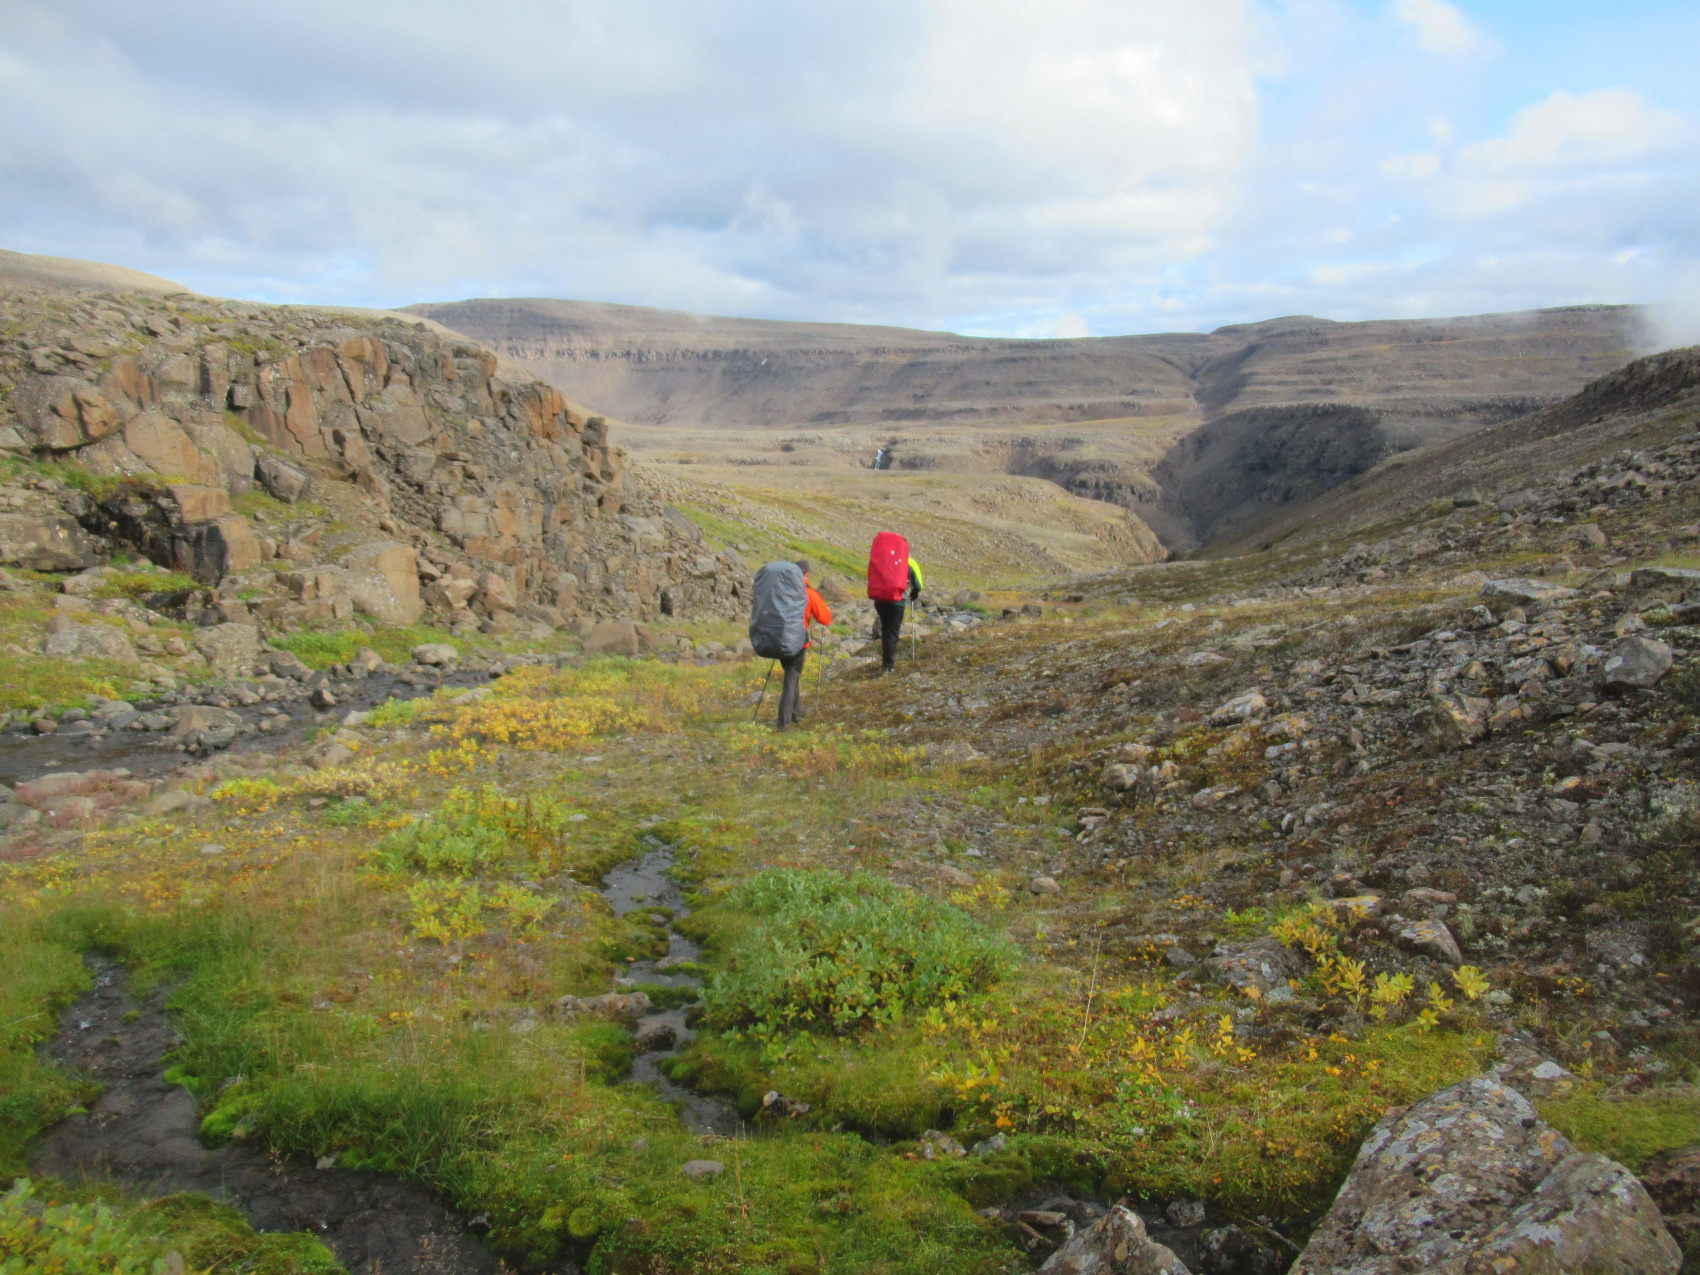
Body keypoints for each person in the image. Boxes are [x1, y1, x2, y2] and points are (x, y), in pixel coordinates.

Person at [778, 559, 832, 729]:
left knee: (792, 677)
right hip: (797, 642)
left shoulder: (782, 589)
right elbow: (825, 618)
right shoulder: (809, 593)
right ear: (807, 574)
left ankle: (797, 712)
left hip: (778, 638)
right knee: (791, 679)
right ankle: (783, 723)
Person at [873, 554, 922, 672]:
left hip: (880, 600)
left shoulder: (882, 559)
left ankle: (886, 663)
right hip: (897, 601)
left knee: (885, 629)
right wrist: (914, 594)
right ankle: (888, 666)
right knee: (892, 632)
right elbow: (918, 585)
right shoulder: (909, 561)